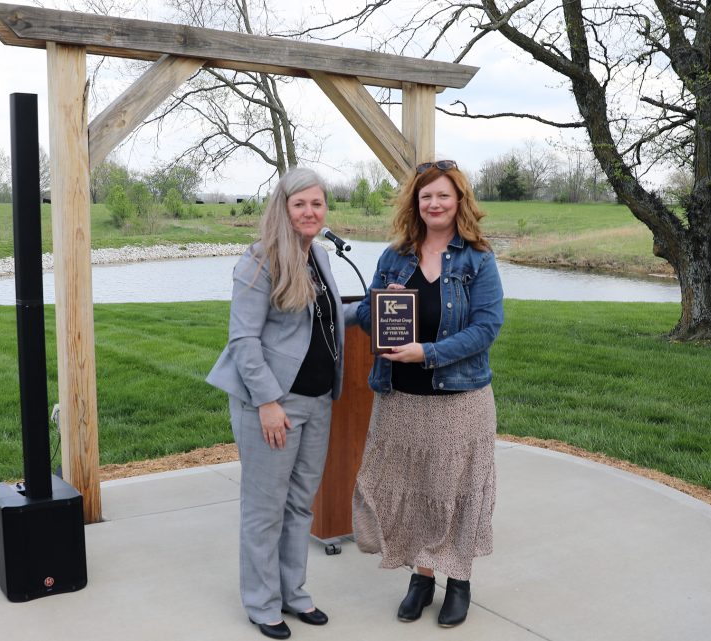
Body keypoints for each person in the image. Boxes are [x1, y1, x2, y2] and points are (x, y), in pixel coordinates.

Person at [348, 159, 504, 628]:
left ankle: (459, 581)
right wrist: (384, 307)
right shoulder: (394, 256)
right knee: (415, 490)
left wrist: (428, 353)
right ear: (415, 204)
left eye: (443, 195)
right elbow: (365, 315)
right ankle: (421, 577)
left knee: (455, 491)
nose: (434, 204)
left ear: (459, 201)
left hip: (459, 400)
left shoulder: (478, 259)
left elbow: (486, 327)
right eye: (426, 196)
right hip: (400, 397)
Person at [206, 167, 344, 640]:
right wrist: (266, 401)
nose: (310, 212)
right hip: (274, 406)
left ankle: (293, 594)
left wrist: (372, 310)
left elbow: (321, 319)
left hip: (318, 401)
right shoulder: (259, 260)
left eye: (317, 204)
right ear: (283, 209)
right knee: (265, 510)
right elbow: (243, 340)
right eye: (299, 204)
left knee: (300, 506)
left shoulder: (318, 255)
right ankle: (262, 604)